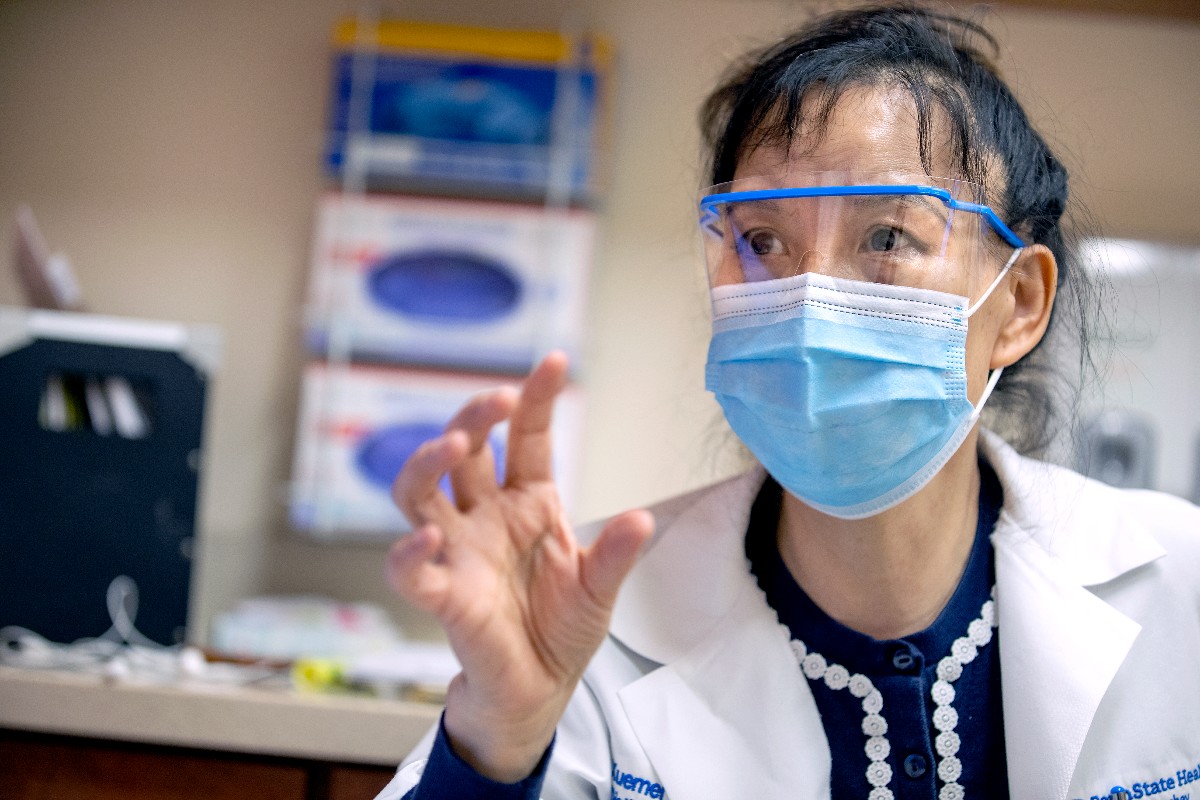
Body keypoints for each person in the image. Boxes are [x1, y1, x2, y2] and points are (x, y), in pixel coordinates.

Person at [376, 5, 1200, 799]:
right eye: (762, 240)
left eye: (887, 237)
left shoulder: (1182, 588)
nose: (810, 297)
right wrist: (497, 743)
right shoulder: (588, 615)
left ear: (1018, 302)